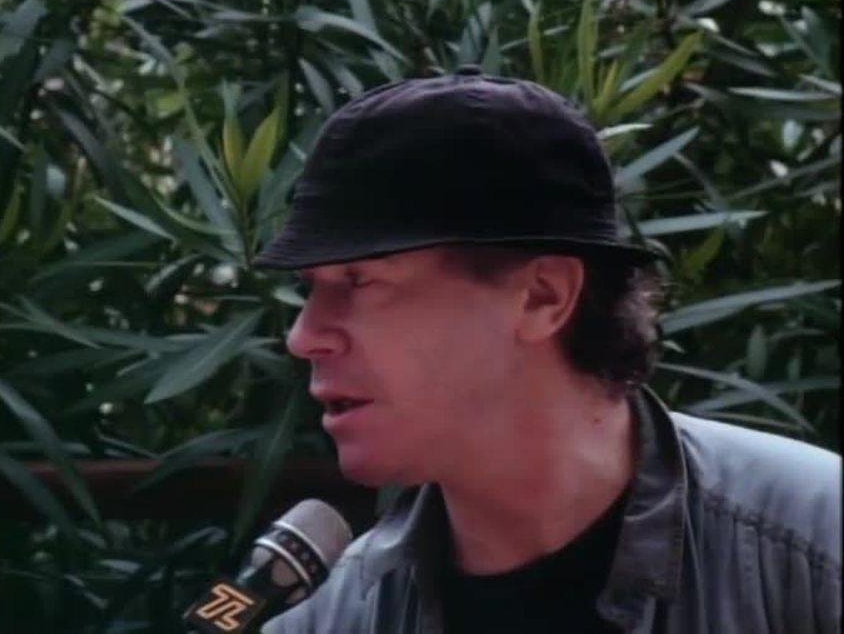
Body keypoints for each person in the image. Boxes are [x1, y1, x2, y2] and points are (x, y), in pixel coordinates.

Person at [254, 65, 841, 633]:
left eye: (359, 282)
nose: (304, 336)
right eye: (310, 290)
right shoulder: (331, 617)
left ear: (543, 296)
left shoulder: (813, 551)